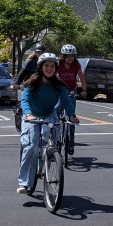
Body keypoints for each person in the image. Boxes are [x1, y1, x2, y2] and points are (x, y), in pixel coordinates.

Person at [17, 53, 79, 195]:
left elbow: (66, 101)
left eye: (52, 66)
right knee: (31, 146)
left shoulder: (59, 86)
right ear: (40, 67)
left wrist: (72, 115)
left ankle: (49, 157)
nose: (49, 69)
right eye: (46, 66)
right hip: (31, 115)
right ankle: (24, 182)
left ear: (56, 68)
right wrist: (28, 114)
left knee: (49, 136)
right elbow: (25, 100)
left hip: (49, 114)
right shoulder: (32, 83)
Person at [57, 44, 85, 152]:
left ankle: (71, 142)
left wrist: (84, 90)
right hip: (60, 89)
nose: (70, 58)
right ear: (63, 56)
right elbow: (54, 76)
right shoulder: (58, 64)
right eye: (67, 56)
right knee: (56, 111)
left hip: (72, 89)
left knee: (71, 115)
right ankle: (55, 137)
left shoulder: (76, 65)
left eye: (72, 56)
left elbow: (82, 78)